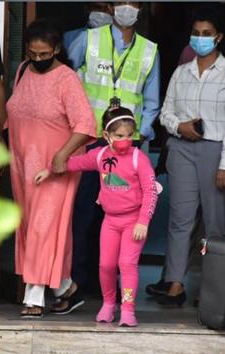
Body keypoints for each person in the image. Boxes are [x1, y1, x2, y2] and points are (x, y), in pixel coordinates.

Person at [67, 1, 160, 295]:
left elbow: (151, 100)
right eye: (121, 2)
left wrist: (140, 136)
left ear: (141, 8)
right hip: (91, 139)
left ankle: (109, 285)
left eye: (133, 2)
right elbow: (67, 80)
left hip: (126, 144)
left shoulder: (148, 50)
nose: (127, 8)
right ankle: (77, 282)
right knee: (83, 212)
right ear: (111, 7)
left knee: (121, 213)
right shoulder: (89, 39)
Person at [6, 19, 97, 318]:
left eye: (45, 54)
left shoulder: (67, 79)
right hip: (23, 166)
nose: (39, 59)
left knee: (43, 227)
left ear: (56, 49)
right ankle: (64, 286)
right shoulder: (22, 71)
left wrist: (62, 156)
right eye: (33, 53)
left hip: (54, 166)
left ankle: (34, 297)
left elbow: (85, 125)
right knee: (33, 226)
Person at [36, 106, 158, 326]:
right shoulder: (100, 155)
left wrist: (143, 221)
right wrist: (49, 169)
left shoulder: (139, 159)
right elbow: (73, 163)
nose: (125, 140)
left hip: (133, 222)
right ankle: (109, 304)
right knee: (106, 266)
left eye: (130, 136)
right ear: (106, 136)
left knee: (127, 264)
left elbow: (150, 191)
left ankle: (128, 309)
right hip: (110, 221)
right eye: (119, 136)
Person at [155, 7, 225, 307]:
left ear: (219, 37)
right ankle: (175, 284)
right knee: (180, 220)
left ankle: (212, 289)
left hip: (215, 150)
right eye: (196, 33)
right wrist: (178, 126)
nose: (200, 38)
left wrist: (224, 165)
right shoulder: (181, 72)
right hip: (182, 148)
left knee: (214, 223)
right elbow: (164, 112)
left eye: (206, 34)